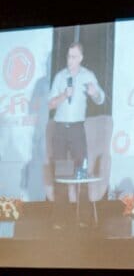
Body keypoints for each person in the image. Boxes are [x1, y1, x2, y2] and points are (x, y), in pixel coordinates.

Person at [47, 42, 105, 227]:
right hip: (60, 130)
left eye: (73, 57)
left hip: (77, 130)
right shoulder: (60, 77)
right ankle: (60, 220)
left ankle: (84, 219)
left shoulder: (88, 76)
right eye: (68, 56)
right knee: (62, 175)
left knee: (82, 174)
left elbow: (101, 98)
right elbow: (51, 104)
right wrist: (64, 95)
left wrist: (94, 93)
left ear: (80, 58)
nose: (70, 60)